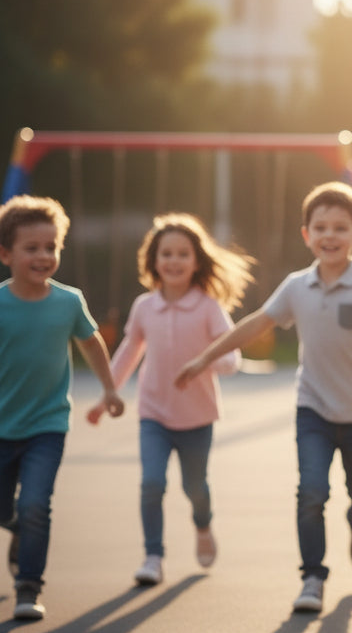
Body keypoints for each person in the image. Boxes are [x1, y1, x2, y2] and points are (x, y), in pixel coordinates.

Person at [176, 181, 352, 614]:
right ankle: (312, 577)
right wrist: (204, 358)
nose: (329, 236)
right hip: (312, 408)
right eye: (321, 227)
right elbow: (256, 324)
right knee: (310, 491)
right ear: (306, 235)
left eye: (340, 227)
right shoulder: (297, 286)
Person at [87, 213, 254, 586]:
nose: (174, 261)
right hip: (154, 415)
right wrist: (106, 395)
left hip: (197, 417)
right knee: (151, 483)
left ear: (196, 261)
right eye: (166, 254)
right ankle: (153, 556)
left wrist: (210, 363)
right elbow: (129, 351)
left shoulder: (209, 306)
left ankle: (203, 524)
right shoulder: (145, 307)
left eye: (182, 254)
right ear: (153, 260)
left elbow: (231, 357)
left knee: (195, 488)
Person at [0, 194, 124, 620]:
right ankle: (16, 527)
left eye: (51, 247)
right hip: (1, 425)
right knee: (9, 510)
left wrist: (109, 389)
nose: (44, 256)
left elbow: (91, 343)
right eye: (31, 248)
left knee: (36, 504)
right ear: (5, 254)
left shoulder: (68, 302)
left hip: (47, 424)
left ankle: (28, 585)